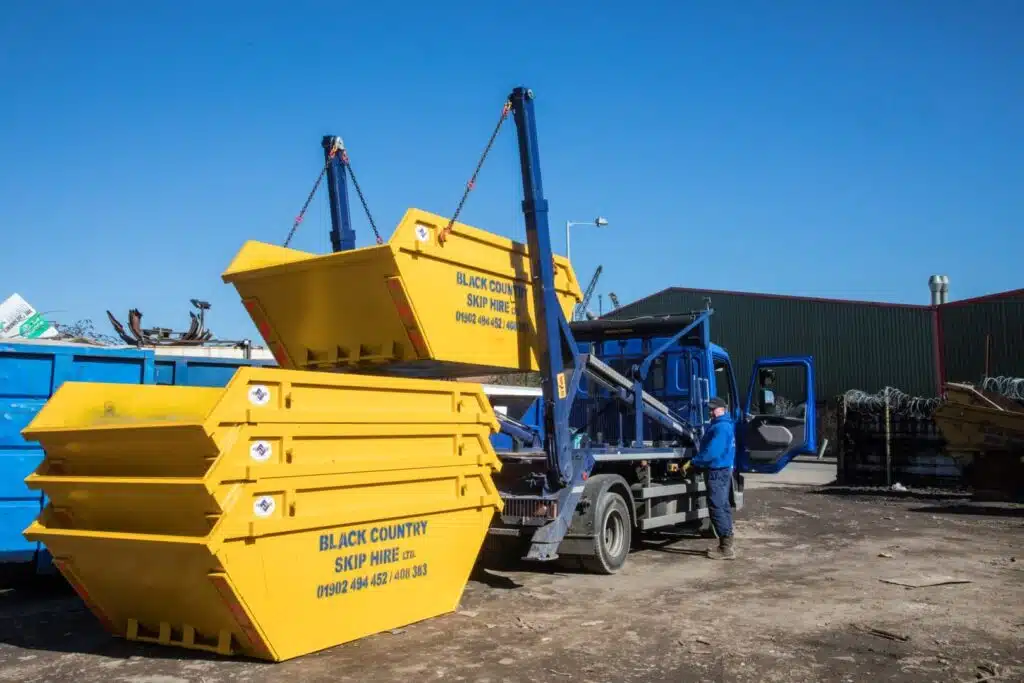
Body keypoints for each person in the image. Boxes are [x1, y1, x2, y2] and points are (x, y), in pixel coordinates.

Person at [689, 396, 736, 560]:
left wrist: (695, 462)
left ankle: (725, 548)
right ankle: (727, 542)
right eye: (710, 409)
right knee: (722, 505)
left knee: (716, 506)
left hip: (717, 470)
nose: (711, 411)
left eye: (713, 408)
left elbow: (712, 452)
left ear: (723, 409)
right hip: (722, 470)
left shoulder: (721, 427)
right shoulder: (724, 425)